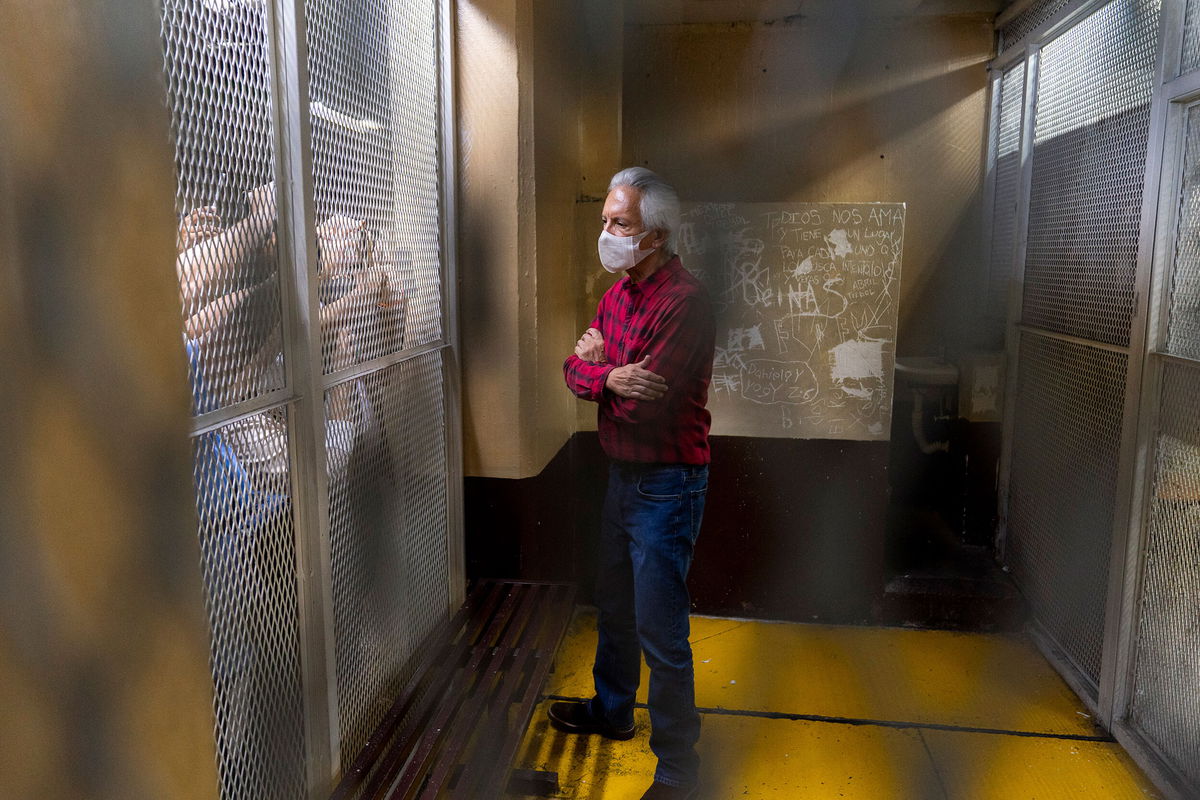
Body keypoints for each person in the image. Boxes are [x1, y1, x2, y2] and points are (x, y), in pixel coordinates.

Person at [552, 167, 716, 800]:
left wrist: (598, 370)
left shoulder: (686, 301)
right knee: (614, 608)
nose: (607, 234)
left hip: (668, 485)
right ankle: (613, 709)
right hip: (622, 478)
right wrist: (604, 375)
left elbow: (642, 408)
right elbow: (576, 372)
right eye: (606, 222)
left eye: (619, 224)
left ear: (657, 235)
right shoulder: (618, 294)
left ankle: (679, 768)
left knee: (661, 632)